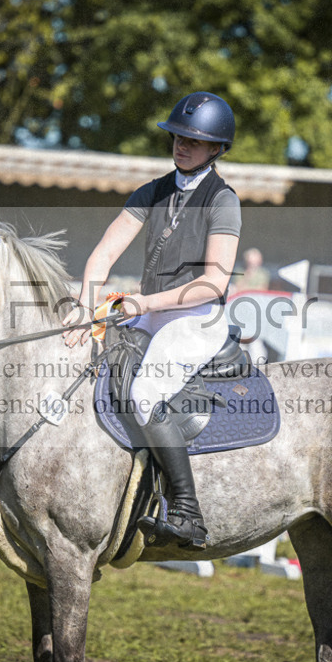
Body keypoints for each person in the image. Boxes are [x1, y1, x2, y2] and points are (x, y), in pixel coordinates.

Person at [63, 91, 241, 550]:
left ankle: (187, 513)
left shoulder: (223, 200)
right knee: (91, 364)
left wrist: (145, 303)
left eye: (194, 141)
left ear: (216, 148)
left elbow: (214, 284)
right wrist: (85, 309)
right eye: (178, 137)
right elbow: (104, 252)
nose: (182, 145)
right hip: (154, 313)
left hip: (197, 317)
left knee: (144, 392)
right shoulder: (152, 191)